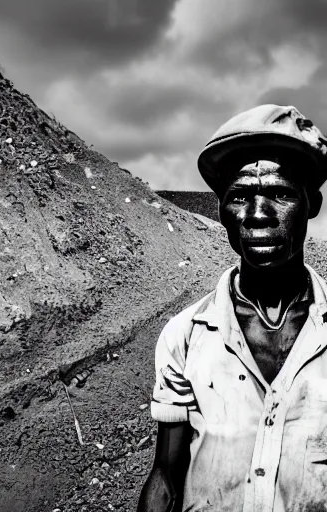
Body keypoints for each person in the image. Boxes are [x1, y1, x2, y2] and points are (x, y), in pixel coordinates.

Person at [138, 104, 327, 512]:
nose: (258, 215)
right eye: (240, 196)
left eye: (280, 193)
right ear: (222, 208)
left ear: (313, 203)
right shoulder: (185, 335)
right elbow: (166, 475)